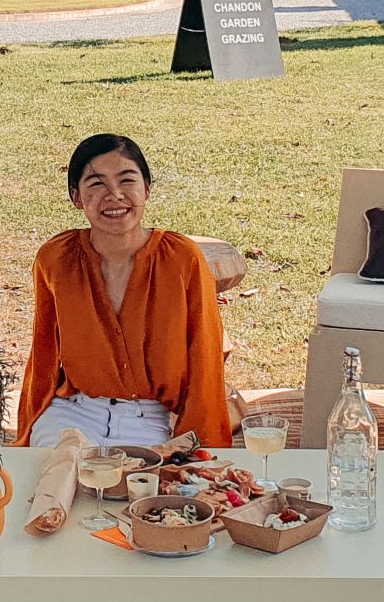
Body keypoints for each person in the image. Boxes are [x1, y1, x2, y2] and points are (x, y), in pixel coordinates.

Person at [17, 133, 231, 450]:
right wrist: (30, 425)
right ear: (77, 197)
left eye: (126, 180)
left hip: (145, 420)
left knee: (140, 495)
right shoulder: (56, 258)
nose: (114, 195)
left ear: (146, 188)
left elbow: (204, 358)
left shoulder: (182, 258)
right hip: (73, 413)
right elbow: (44, 354)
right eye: (96, 183)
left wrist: (203, 446)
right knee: (52, 487)